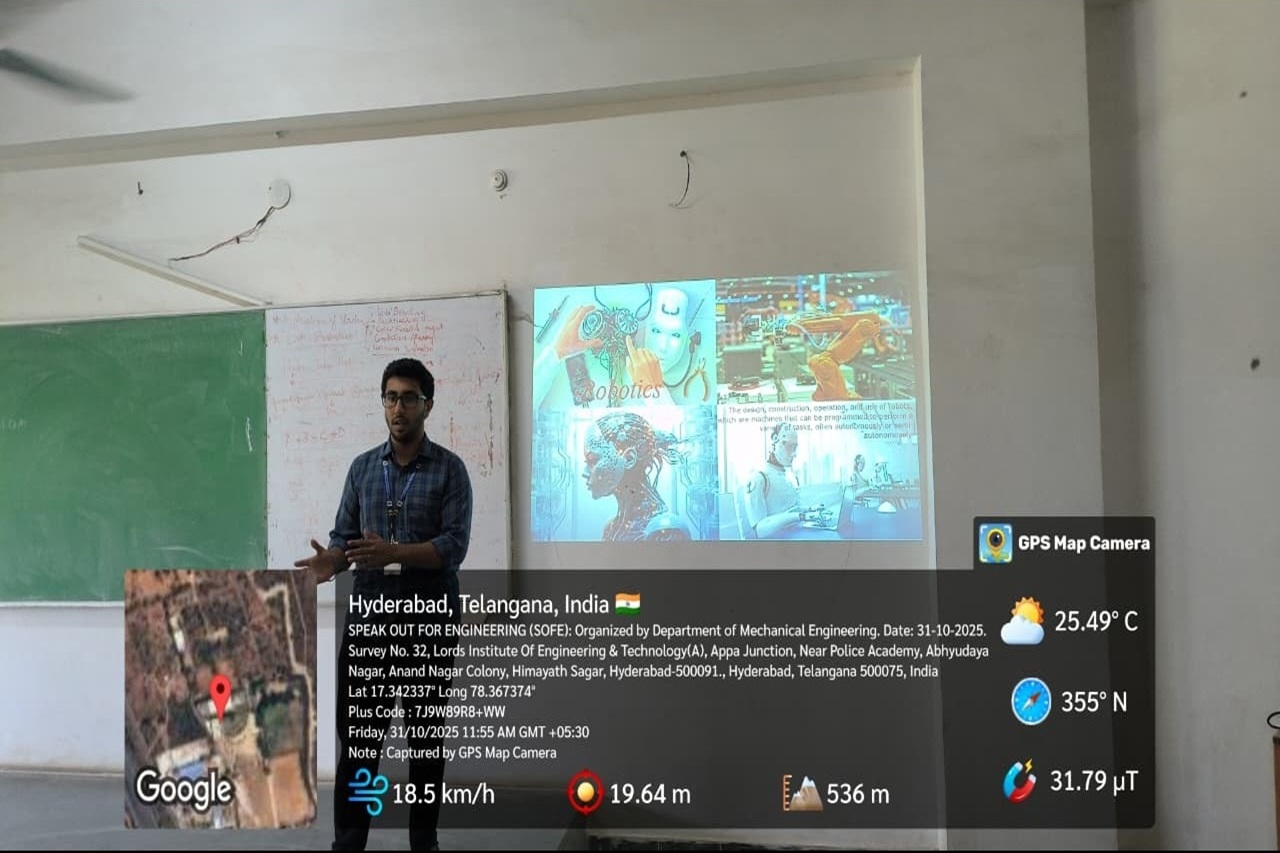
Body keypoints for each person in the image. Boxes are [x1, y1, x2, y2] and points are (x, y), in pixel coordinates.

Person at [295, 357, 472, 852]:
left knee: (424, 741)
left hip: (427, 623)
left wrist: (395, 552)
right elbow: (344, 539)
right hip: (370, 623)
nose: (399, 408)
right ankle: (349, 843)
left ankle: (424, 843)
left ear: (427, 406)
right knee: (359, 742)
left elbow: (453, 547)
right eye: (391, 397)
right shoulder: (362, 469)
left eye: (409, 398)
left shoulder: (450, 471)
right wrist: (332, 562)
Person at [581, 410, 693, 541]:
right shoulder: (611, 528)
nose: (584, 473)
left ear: (629, 458)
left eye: (593, 460)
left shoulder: (665, 530)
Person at [741, 422, 828, 538]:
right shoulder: (758, 478)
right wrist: (801, 516)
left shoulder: (788, 476)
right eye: (789, 447)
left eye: (795, 448)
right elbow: (760, 530)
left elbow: (789, 509)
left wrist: (810, 510)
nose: (794, 454)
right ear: (775, 442)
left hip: (797, 535)